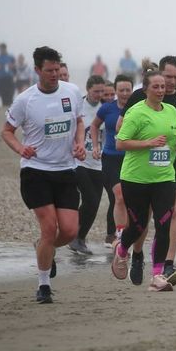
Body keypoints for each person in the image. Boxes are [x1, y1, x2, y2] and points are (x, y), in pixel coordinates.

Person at [2, 46, 86, 304]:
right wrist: (21, 148)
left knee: (70, 231)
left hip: (65, 170)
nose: (54, 75)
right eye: (48, 71)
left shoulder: (71, 92)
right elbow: (7, 131)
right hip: (35, 171)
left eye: (57, 70)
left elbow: (79, 121)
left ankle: (43, 248)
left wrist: (79, 143)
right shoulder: (25, 100)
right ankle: (44, 285)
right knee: (50, 228)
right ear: (37, 70)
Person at [122, 56, 176, 282]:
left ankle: (166, 266)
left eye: (175, 78)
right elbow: (122, 129)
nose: (171, 82)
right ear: (159, 74)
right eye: (167, 77)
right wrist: (147, 139)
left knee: (170, 213)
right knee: (144, 218)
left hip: (171, 167)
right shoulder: (138, 98)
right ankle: (137, 254)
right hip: (141, 168)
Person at [110, 69, 176, 292]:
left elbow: (172, 138)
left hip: (164, 177)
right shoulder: (136, 112)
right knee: (138, 226)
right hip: (136, 179)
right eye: (156, 87)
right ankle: (122, 249)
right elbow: (121, 143)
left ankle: (157, 276)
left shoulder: (172, 111)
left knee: (163, 224)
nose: (161, 90)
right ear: (145, 90)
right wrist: (147, 143)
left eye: (163, 87)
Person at [93, 74, 133, 248]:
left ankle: (130, 232)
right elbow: (94, 125)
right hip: (110, 158)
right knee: (120, 196)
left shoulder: (138, 108)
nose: (125, 93)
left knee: (130, 199)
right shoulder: (107, 109)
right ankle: (119, 233)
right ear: (115, 91)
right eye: (121, 90)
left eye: (128, 90)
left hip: (131, 158)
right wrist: (96, 145)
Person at [70, 75, 108, 255]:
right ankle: (74, 235)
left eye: (102, 91)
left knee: (94, 204)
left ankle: (79, 237)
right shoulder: (78, 105)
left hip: (99, 163)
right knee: (90, 199)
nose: (99, 95)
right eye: (96, 91)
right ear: (87, 89)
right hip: (79, 161)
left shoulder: (105, 108)